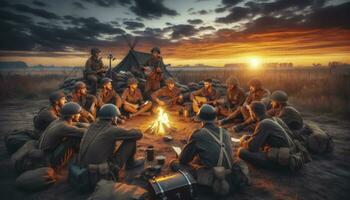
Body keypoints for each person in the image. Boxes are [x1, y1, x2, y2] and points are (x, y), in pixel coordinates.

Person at [170, 105, 248, 195]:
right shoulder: (225, 132)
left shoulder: (198, 134)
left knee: (174, 163)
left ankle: (211, 186)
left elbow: (183, 159)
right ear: (215, 119)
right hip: (231, 174)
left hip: (214, 177)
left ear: (201, 121)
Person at [78, 104, 145, 179]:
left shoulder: (91, 126)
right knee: (131, 140)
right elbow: (138, 135)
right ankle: (130, 164)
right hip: (100, 171)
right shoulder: (111, 130)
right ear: (113, 118)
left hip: (83, 167)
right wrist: (134, 129)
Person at [237, 102, 305, 171]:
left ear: (253, 113)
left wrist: (243, 141)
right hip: (290, 154)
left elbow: (252, 147)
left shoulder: (264, 124)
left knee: (241, 152)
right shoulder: (273, 119)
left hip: (285, 160)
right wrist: (250, 137)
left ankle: (279, 169)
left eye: (250, 112)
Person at [38, 102, 87, 170]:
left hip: (46, 153)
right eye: (78, 114)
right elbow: (85, 132)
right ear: (72, 116)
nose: (80, 115)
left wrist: (92, 125)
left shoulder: (58, 121)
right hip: (49, 159)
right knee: (74, 139)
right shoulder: (64, 127)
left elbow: (76, 124)